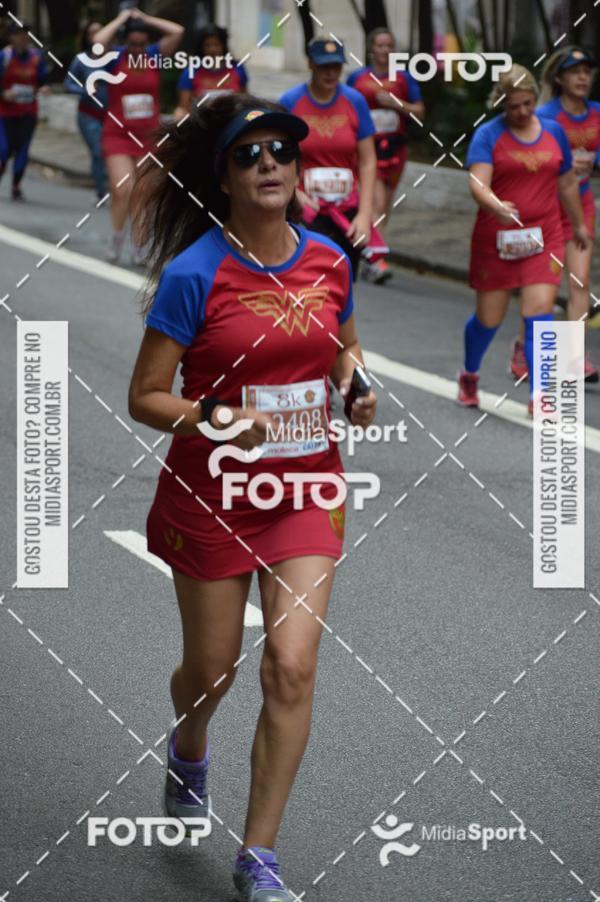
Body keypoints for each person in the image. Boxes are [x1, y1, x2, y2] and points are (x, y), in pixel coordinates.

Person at [128, 93, 377, 901]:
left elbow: (341, 337)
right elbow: (145, 396)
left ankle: (257, 855)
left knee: (292, 666)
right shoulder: (195, 272)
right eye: (249, 154)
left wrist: (355, 379)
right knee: (212, 668)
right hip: (214, 491)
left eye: (281, 152)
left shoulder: (329, 257)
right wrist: (216, 418)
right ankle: (190, 741)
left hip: (306, 487)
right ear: (225, 177)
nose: (269, 164)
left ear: (297, 168)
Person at [457, 64, 589, 414]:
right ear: (501, 104)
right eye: (513, 106)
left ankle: (539, 394)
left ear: (535, 98)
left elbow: (566, 183)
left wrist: (578, 224)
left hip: (543, 236)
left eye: (528, 103)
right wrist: (496, 205)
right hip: (495, 240)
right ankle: (469, 373)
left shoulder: (553, 132)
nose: (522, 112)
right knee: (489, 320)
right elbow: (477, 183)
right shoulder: (488, 135)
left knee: (540, 311)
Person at [507, 46, 599, 383]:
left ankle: (575, 358)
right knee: (539, 286)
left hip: (580, 208)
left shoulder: (597, 114)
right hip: (544, 211)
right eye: (575, 72)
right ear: (559, 78)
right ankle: (521, 347)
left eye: (587, 72)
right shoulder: (544, 116)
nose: (582, 78)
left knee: (580, 282)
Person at [279, 37, 378, 282]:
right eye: (324, 66)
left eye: (336, 66)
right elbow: (279, 155)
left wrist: (365, 214)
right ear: (310, 64)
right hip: (305, 212)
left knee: (342, 282)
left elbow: (368, 160)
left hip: (346, 214)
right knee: (306, 282)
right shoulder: (290, 102)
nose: (331, 72)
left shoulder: (355, 101)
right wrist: (294, 193)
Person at [94, 7, 183, 264]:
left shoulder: (154, 57)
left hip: (148, 136)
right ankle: (117, 237)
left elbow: (178, 31)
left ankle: (139, 244)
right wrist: (122, 18)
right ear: (125, 42)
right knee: (123, 188)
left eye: (142, 44)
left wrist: (145, 18)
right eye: (133, 44)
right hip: (118, 135)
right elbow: (98, 40)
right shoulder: (114, 58)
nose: (137, 49)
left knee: (144, 192)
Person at [347, 27, 425, 284]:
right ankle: (375, 259)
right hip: (368, 148)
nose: (384, 50)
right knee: (376, 203)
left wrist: (396, 104)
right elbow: (344, 107)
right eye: (379, 45)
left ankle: (369, 250)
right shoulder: (357, 78)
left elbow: (419, 111)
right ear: (371, 49)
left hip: (396, 148)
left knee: (385, 206)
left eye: (389, 45)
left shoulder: (404, 78)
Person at [0, 21, 49, 200]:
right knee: (4, 150)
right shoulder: (3, 57)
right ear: (11, 37)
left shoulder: (36, 57)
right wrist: (4, 94)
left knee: (22, 150)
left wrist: (43, 88)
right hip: (5, 113)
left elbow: (42, 80)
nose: (23, 38)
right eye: (18, 34)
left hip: (28, 112)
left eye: (25, 34)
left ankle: (16, 186)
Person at [64, 21, 108, 201]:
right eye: (92, 33)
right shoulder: (81, 60)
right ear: (87, 37)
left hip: (113, 115)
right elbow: (68, 84)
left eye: (101, 32)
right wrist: (85, 90)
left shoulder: (116, 58)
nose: (97, 36)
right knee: (98, 152)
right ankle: (101, 191)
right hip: (89, 114)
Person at [174, 24, 248, 120]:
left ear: (223, 46)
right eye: (208, 45)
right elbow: (183, 108)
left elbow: (246, 102)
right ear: (201, 48)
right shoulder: (191, 72)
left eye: (216, 45)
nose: (212, 49)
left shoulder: (237, 69)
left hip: (233, 124)